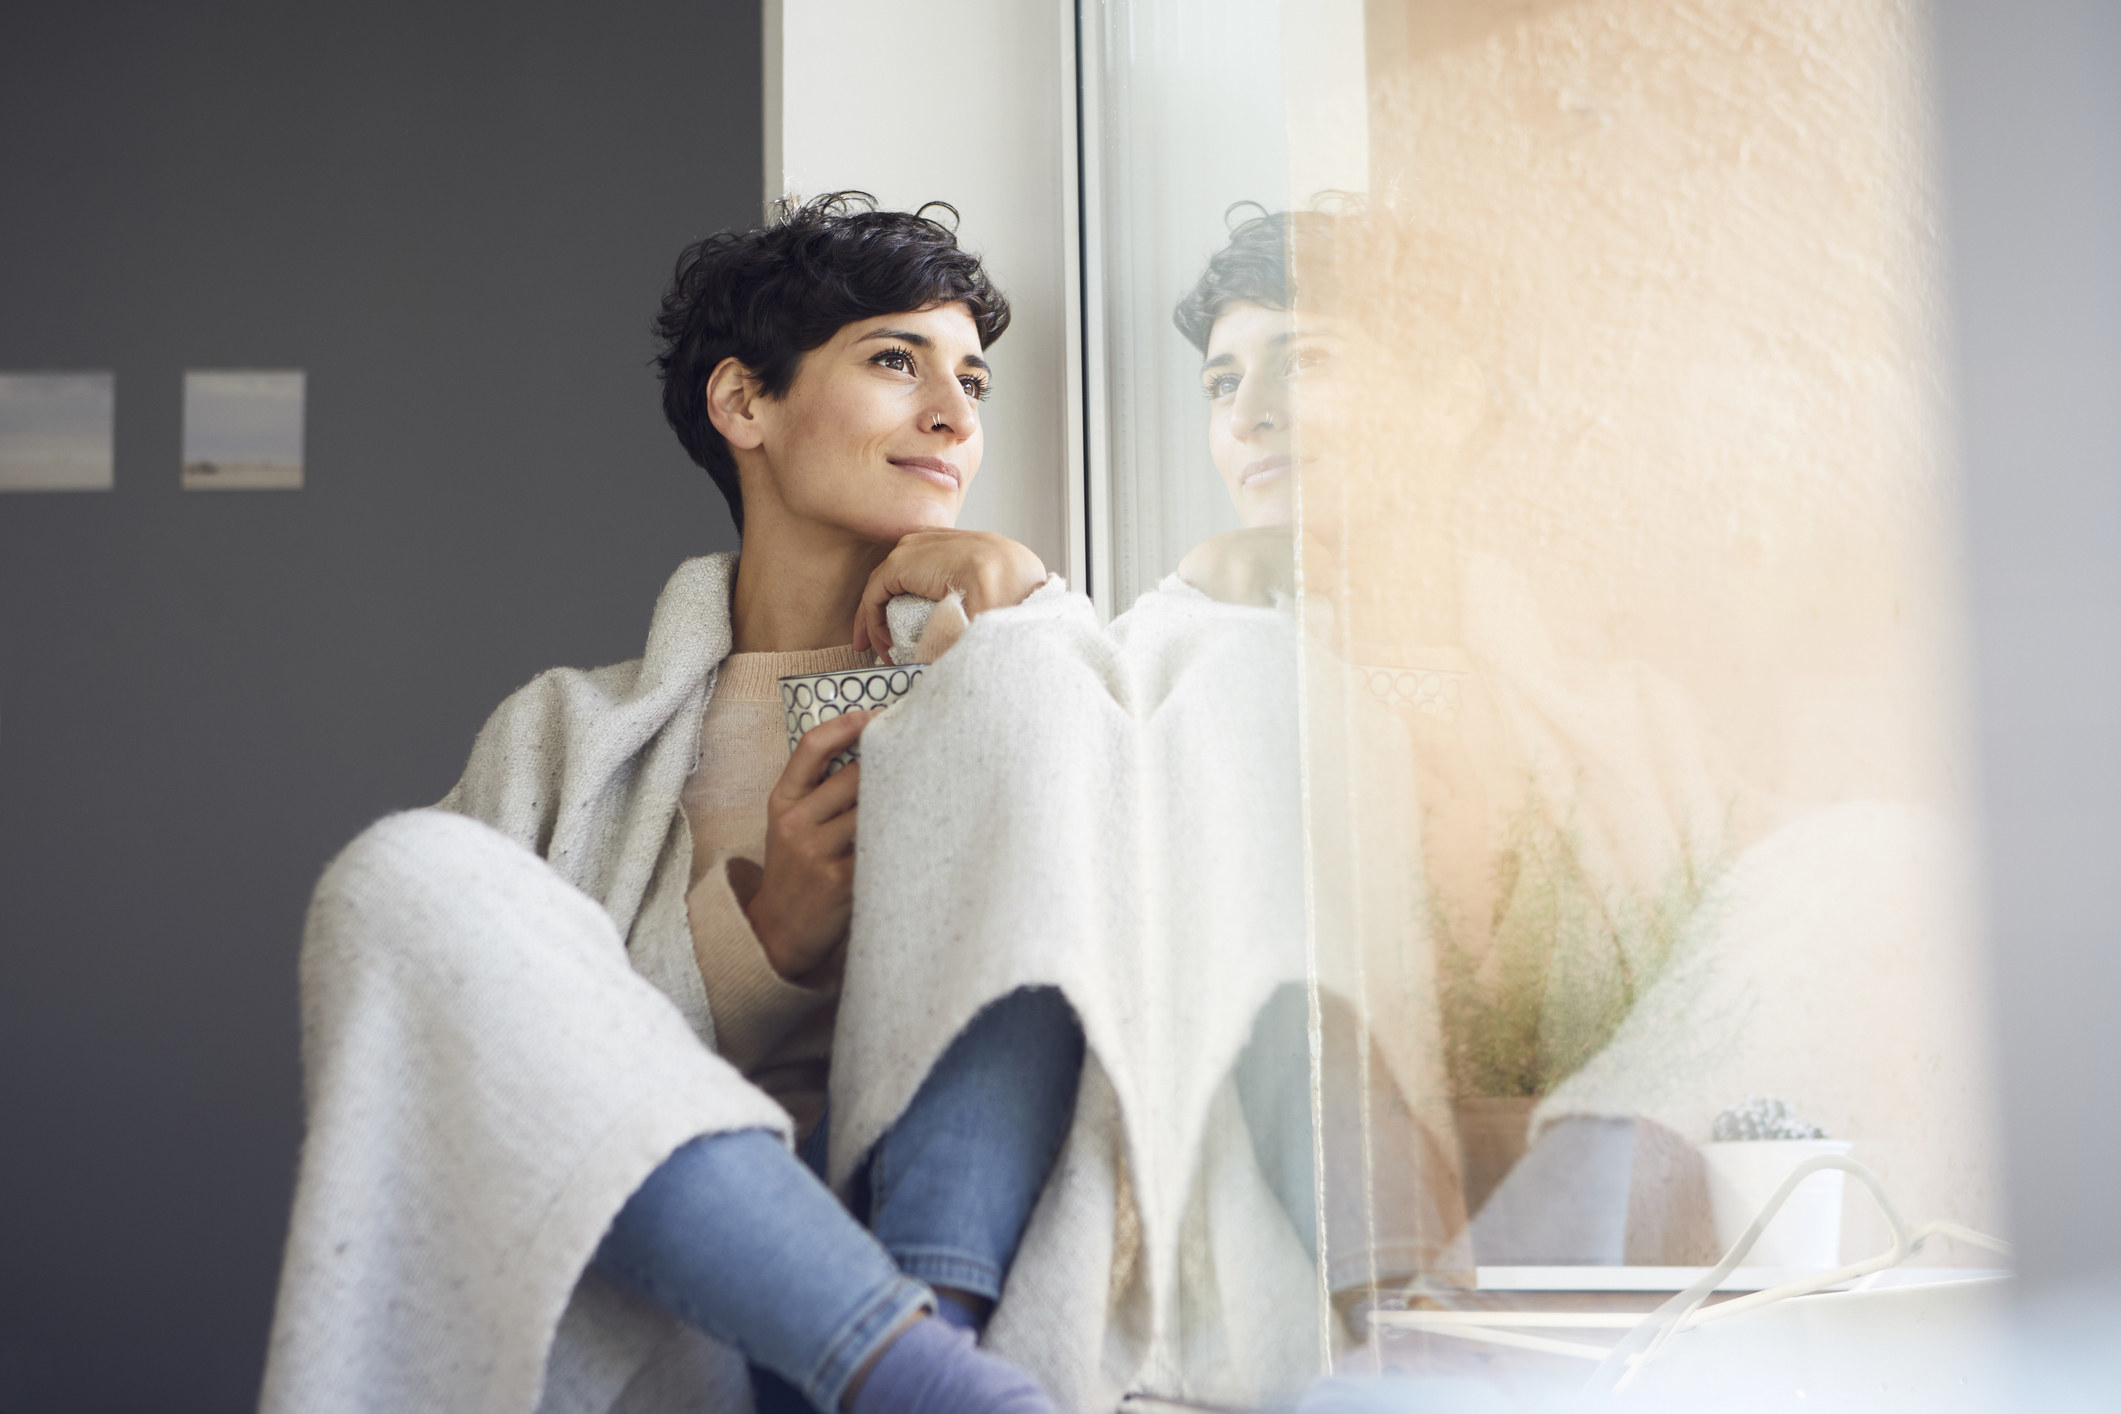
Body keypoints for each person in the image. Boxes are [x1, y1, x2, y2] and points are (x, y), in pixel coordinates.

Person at [261, 194, 1083, 1414]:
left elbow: (1148, 924)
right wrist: (760, 950)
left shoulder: (1016, 654)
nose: (954, 414)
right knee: (398, 874)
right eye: (895, 360)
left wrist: (1031, 599)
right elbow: (464, 1089)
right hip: (696, 1333)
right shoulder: (559, 736)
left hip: (966, 1272)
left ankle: (930, 1347)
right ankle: (905, 1372)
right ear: (744, 402)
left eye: (972, 379)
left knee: (1045, 695)